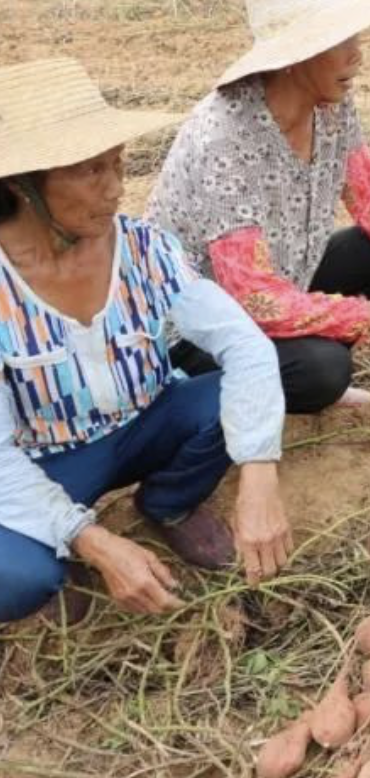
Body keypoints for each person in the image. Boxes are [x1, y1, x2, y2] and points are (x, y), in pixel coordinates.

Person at [0, 58, 290, 625]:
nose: (115, 188)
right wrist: (90, 539)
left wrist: (259, 470)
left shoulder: (142, 249)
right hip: (46, 462)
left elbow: (246, 346)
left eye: (118, 163)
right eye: (89, 171)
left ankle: (169, 503)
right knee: (18, 581)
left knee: (230, 397)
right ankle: (62, 549)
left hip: (145, 423)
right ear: (21, 184)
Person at [147, 0, 370, 414]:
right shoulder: (225, 135)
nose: (357, 53)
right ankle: (221, 398)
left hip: (284, 285)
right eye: (339, 40)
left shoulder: (333, 104)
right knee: (322, 370)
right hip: (200, 329)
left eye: (354, 35)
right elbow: (254, 297)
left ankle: (287, 363)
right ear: (292, 56)